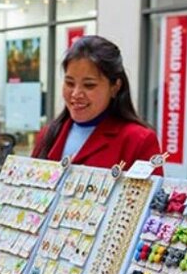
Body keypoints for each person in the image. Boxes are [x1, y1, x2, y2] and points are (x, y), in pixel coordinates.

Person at [32, 35, 162, 172]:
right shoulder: (48, 134)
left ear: (115, 87)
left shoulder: (139, 141)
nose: (76, 94)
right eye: (69, 83)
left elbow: (150, 192)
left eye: (89, 85)